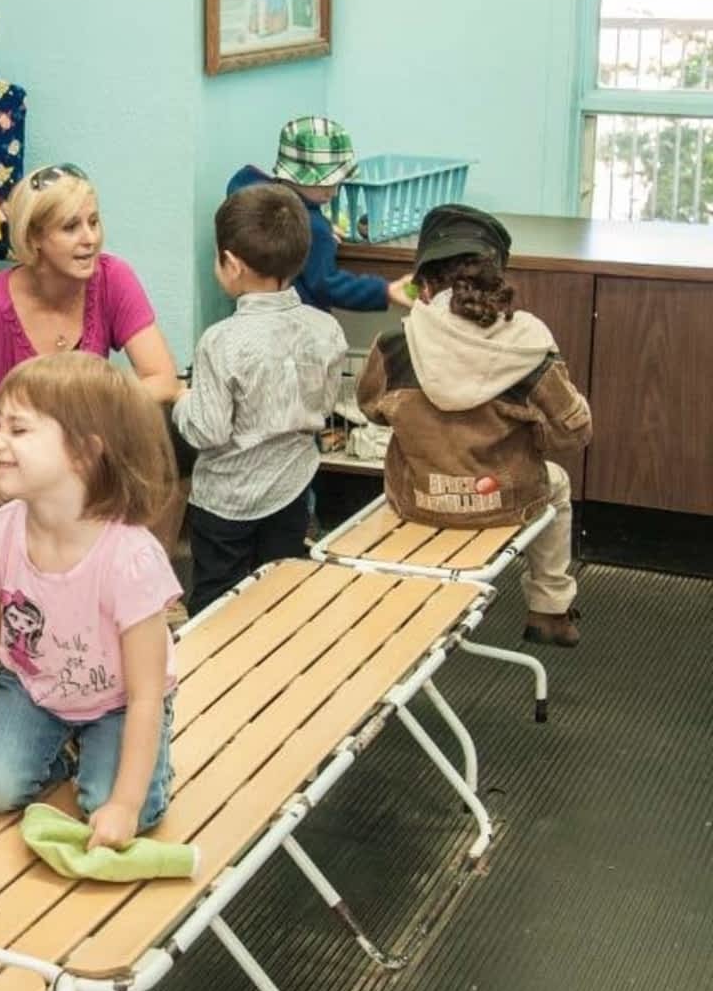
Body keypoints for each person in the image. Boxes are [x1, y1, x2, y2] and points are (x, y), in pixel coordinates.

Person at [0, 354, 182, 850]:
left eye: (19, 430)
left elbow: (144, 695)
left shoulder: (129, 560)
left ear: (84, 454)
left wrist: (127, 804)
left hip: (119, 701)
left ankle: (127, 763)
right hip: (34, 686)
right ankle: (67, 750)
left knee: (118, 811)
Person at [356, 205, 591, 646]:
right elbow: (575, 432)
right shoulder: (528, 343)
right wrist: (533, 432)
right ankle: (549, 607)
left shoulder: (394, 344)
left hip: (418, 500)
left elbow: (370, 407)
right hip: (505, 501)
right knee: (556, 485)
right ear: (495, 281)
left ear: (423, 285)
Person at [0, 164, 180, 518]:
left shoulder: (113, 277)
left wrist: (90, 412)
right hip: (11, 467)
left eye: (94, 222)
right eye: (71, 227)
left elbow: (163, 379)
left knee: (168, 437)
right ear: (34, 238)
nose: (90, 238)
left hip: (81, 460)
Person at [173, 184, 347, 613]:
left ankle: (213, 674)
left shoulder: (221, 341)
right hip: (291, 488)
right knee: (276, 595)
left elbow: (207, 430)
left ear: (230, 264)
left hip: (226, 503)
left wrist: (181, 399)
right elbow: (325, 407)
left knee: (216, 602)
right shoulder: (326, 329)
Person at [228, 117, 414, 313]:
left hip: (252, 312)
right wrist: (385, 291)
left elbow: (243, 179)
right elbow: (327, 286)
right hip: (298, 321)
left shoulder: (251, 197)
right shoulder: (313, 228)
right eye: (326, 184)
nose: (332, 192)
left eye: (337, 183)